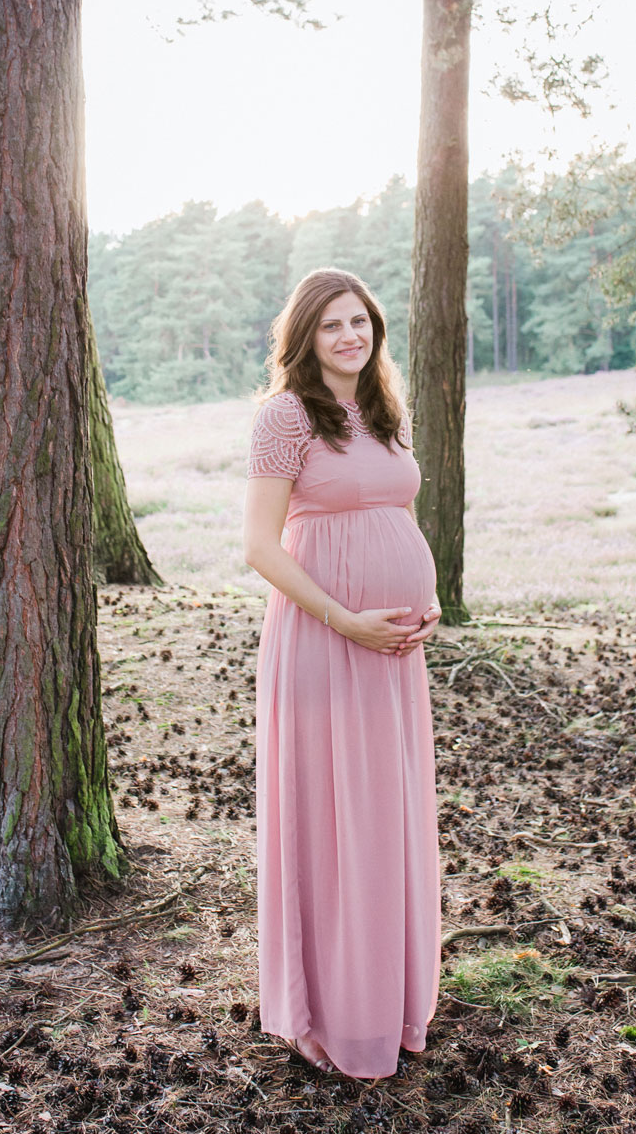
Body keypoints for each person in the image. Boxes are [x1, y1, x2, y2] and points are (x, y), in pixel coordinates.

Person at [243, 268, 443, 1081]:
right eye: (331, 325)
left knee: (385, 817)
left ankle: (390, 1001)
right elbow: (259, 545)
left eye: (359, 321)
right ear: (304, 338)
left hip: (394, 655)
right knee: (336, 819)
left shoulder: (385, 411)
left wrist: (421, 603)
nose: (349, 336)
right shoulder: (284, 416)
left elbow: (396, 516)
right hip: (324, 643)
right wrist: (344, 616)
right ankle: (330, 1009)